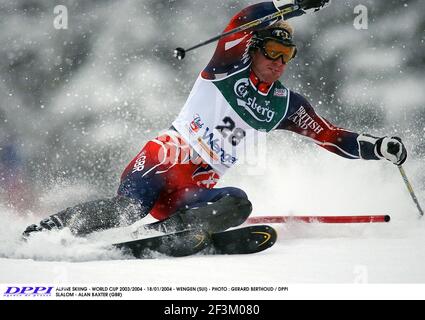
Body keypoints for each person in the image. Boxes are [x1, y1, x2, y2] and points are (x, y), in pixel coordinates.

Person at [23, 0, 407, 238]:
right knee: (128, 211)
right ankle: (43, 232)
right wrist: (290, 4)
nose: (277, 62)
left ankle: (163, 235)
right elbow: (242, 19)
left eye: (286, 55)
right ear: (254, 49)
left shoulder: (286, 105)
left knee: (238, 203)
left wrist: (378, 147)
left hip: (195, 184)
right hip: (164, 158)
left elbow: (330, 137)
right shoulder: (226, 68)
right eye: (271, 50)